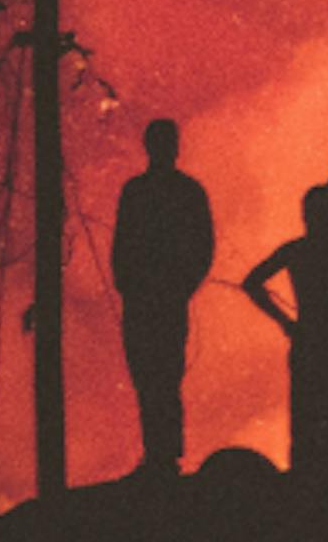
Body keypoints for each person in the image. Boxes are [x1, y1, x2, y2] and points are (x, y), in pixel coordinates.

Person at [243, 130, 328, 474]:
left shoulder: (297, 252)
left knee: (308, 427)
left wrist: (286, 322)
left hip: (309, 341)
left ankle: (311, 491)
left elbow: (251, 282)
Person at [110, 117, 213, 477]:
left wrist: (174, 286)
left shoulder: (140, 192)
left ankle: (163, 455)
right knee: (155, 377)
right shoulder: (183, 192)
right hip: (156, 298)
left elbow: (201, 247)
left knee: (159, 377)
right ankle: (161, 453)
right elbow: (203, 247)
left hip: (156, 298)